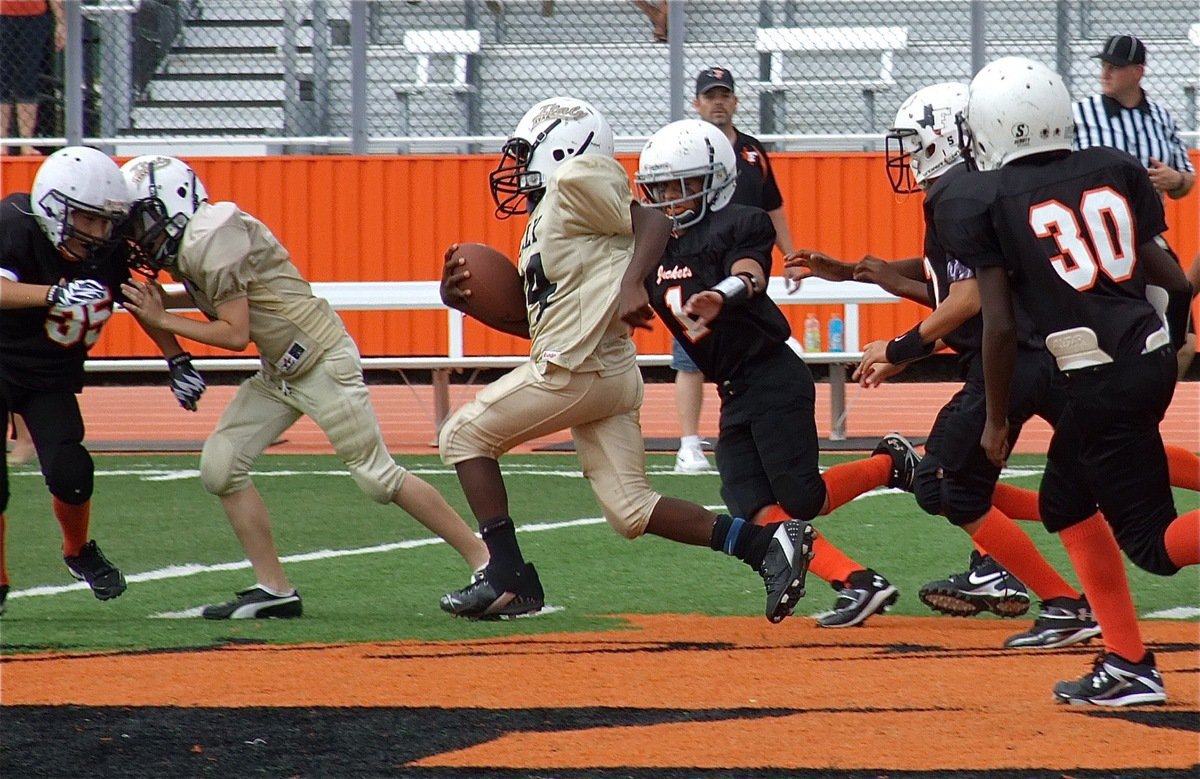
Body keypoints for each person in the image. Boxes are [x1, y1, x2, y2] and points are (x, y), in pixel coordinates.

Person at [437, 97, 815, 624]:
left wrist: (634, 281)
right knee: (631, 509)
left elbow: (654, 222)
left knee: (462, 436)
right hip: (601, 367)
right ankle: (768, 545)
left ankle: (505, 576)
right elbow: (539, 321)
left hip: (578, 367)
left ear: (562, 148)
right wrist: (466, 302)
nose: (519, 166)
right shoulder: (552, 214)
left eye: (527, 153)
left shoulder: (578, 179)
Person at [789, 83, 1109, 649]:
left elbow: (968, 300)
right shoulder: (973, 189)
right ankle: (1056, 586)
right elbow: (951, 276)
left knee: (949, 487)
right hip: (1042, 350)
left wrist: (899, 349)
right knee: (1094, 463)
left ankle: (1063, 603)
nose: (908, 155)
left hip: (1015, 357)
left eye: (915, 141)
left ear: (949, 134)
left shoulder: (958, 193)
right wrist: (857, 272)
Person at [118, 154, 490, 620]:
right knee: (221, 466)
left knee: (377, 477)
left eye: (140, 220)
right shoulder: (197, 246)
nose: (136, 234)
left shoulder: (211, 234)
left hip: (321, 360)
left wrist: (161, 317)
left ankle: (487, 561)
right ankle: (275, 590)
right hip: (282, 370)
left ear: (172, 203)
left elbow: (234, 334)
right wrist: (158, 311)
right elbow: (219, 301)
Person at [945, 56, 1197, 705]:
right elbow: (1169, 277)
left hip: (1098, 374)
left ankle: (1131, 664)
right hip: (1147, 354)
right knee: (1065, 500)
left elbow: (998, 327)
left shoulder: (993, 198)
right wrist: (1177, 340)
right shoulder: (1113, 164)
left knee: (1153, 543)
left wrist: (997, 420)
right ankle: (1126, 660)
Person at [625, 118, 921, 629]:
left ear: (715, 180)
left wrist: (722, 294)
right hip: (734, 388)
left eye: (683, 186)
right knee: (749, 504)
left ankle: (890, 465)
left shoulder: (741, 222)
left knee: (802, 497)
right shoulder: (654, 246)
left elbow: (751, 273)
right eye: (661, 189)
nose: (669, 199)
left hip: (771, 376)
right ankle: (857, 582)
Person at [0, 146, 191, 611]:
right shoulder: (16, 224)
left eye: (107, 221)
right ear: (54, 206)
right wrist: (55, 291)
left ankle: (77, 549)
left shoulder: (103, 248)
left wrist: (177, 358)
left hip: (50, 375)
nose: (100, 232)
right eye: (89, 220)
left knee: (72, 472)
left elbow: (139, 300)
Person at [669, 67, 801, 474]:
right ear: (697, 103)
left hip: (742, 260)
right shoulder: (685, 148)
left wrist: (791, 255)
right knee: (690, 354)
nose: (718, 101)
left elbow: (772, 205)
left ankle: (751, 433)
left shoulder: (752, 152)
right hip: (696, 257)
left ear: (736, 100)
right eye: (711, 95)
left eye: (724, 94)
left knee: (751, 344)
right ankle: (689, 443)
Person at [1072, 33, 1197, 378]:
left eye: (1116, 66)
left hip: (1147, 240)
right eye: (1104, 65)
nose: (1105, 72)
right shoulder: (1080, 116)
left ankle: (1145, 414)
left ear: (1138, 72)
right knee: (1107, 342)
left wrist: (1176, 180)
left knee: (1182, 342)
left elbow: (1186, 182)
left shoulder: (1161, 118)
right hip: (1098, 244)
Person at [0, 0, 63, 156]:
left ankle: (26, 143)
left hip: (34, 17)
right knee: (2, 82)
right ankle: (1, 141)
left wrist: (61, 22)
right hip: (2, 15)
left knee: (27, 80)